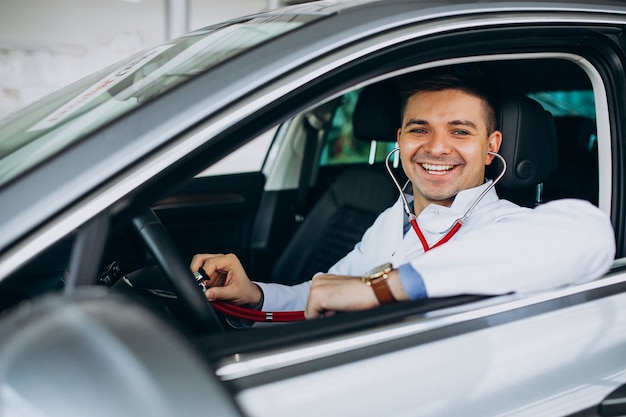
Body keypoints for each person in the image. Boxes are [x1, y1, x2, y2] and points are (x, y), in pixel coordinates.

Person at [190, 65, 615, 321]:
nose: (436, 147)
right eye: (419, 129)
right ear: (399, 138)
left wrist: (385, 287)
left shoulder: (503, 223)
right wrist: (257, 296)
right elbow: (326, 291)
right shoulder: (395, 218)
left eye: (460, 131)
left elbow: (591, 234)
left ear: (492, 147)